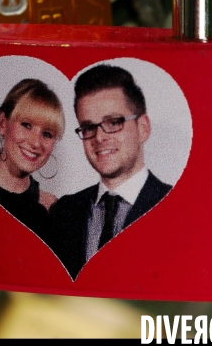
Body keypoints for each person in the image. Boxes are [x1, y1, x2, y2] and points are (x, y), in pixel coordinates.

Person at [49, 64, 172, 279]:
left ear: (143, 127)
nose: (99, 137)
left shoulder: (175, 205)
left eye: (113, 122)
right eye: (89, 127)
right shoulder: (63, 212)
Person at [0, 78, 64, 242]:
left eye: (47, 134)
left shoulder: (52, 208)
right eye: (26, 125)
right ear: (3, 124)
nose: (35, 142)